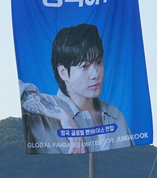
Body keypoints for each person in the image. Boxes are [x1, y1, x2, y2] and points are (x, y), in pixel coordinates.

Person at [21, 23, 132, 153]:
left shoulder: (115, 115)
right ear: (63, 72)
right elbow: (19, 91)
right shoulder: (45, 112)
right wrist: (62, 115)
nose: (96, 74)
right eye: (84, 66)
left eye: (98, 62)